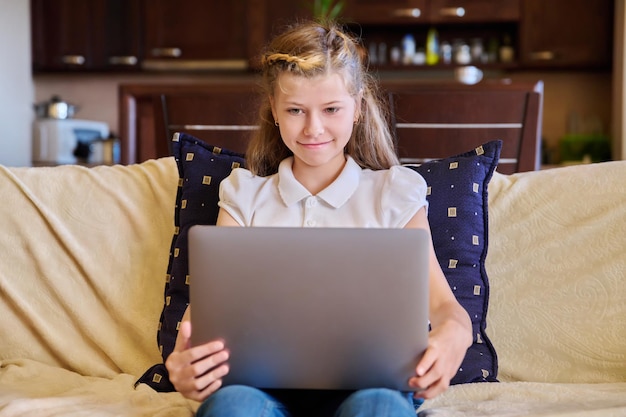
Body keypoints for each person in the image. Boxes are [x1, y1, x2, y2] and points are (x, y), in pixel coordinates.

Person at [165, 20, 472, 417]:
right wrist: (182, 360)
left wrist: (454, 338)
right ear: (274, 111)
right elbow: (207, 312)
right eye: (295, 110)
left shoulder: (394, 193)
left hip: (373, 388)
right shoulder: (244, 194)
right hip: (258, 388)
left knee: (378, 408)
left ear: (358, 107)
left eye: (331, 109)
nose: (314, 128)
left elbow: (446, 308)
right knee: (232, 408)